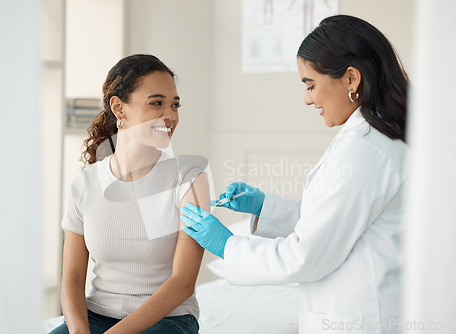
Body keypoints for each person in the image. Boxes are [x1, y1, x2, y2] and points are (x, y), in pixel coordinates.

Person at [180, 15, 408, 334]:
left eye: (311, 84)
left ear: (351, 79)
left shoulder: (366, 149)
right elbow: (339, 222)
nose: (308, 99)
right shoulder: (376, 138)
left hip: (361, 319)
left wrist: (227, 245)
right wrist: (266, 207)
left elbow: (307, 255)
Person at [50, 54, 209, 334]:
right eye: (156, 103)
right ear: (119, 108)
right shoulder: (84, 183)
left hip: (168, 320)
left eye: (175, 105)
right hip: (96, 316)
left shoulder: (190, 179)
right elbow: (73, 278)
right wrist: (78, 332)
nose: (170, 116)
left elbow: (183, 281)